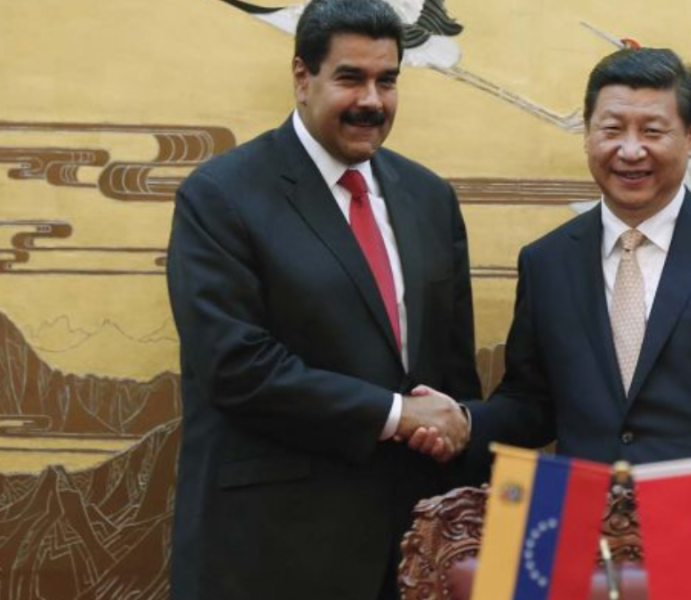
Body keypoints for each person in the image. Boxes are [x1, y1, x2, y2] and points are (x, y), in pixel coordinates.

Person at [461, 48, 691, 600]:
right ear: (588, 133)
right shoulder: (546, 260)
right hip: (569, 540)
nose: (630, 150)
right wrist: (460, 421)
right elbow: (532, 403)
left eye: (653, 131)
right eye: (612, 129)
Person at [165, 1, 480, 599]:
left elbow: (452, 373)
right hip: (275, 553)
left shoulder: (429, 198)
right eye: (350, 78)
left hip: (413, 551)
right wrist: (398, 414)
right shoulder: (221, 196)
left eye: (387, 81)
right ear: (302, 76)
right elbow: (236, 366)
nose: (372, 101)